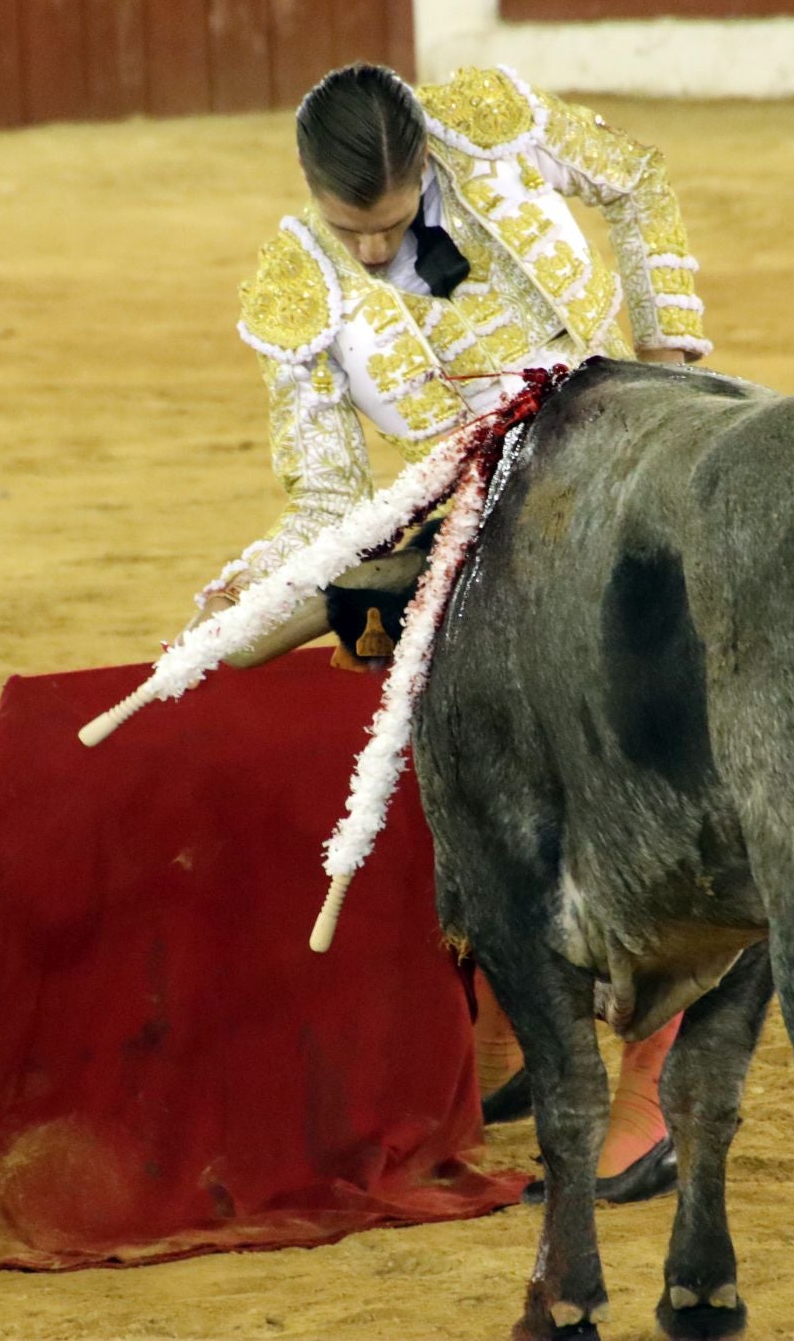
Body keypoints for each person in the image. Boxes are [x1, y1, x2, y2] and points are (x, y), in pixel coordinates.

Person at [198, 62, 714, 1203]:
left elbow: (632, 179)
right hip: (478, 517)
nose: (372, 252)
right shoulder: (298, 285)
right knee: (424, 711)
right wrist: (242, 597)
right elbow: (328, 500)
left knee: (664, 751)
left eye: (385, 225)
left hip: (640, 434)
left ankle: (649, 1088)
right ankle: (508, 1019)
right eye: (351, 230)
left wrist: (673, 347)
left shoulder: (489, 124)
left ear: (425, 161)